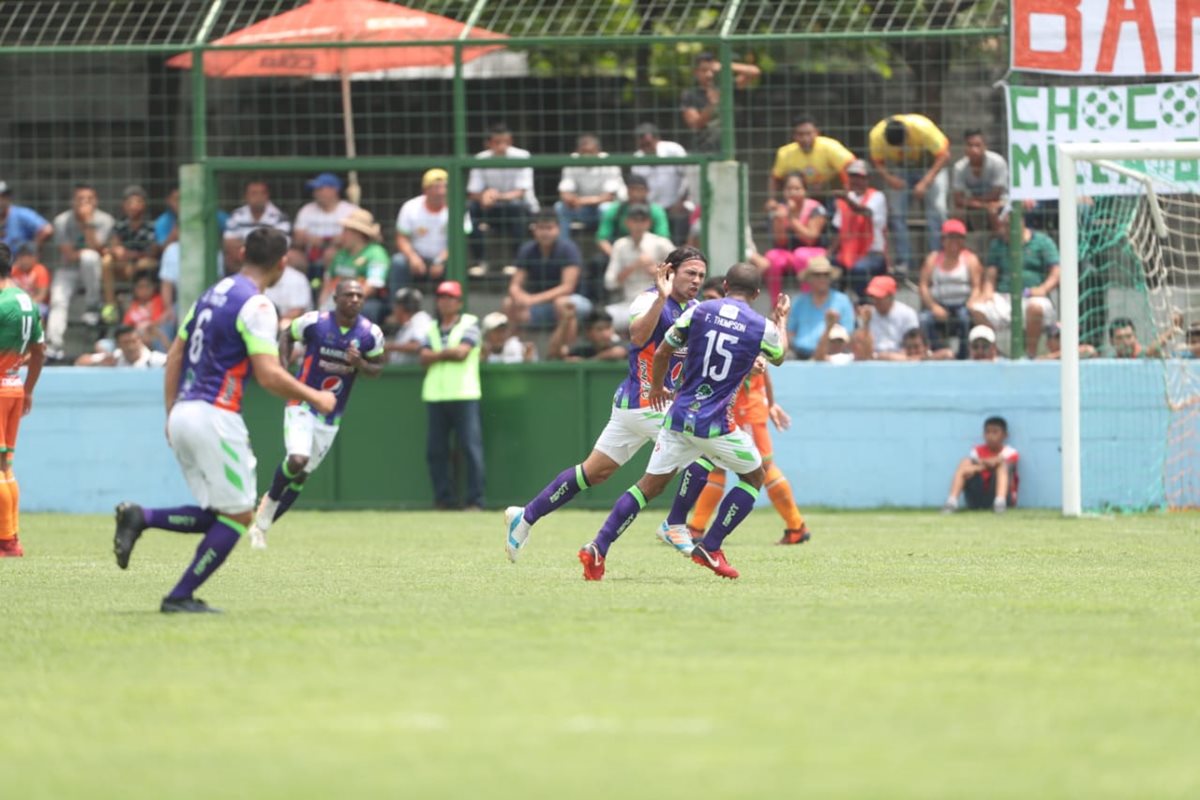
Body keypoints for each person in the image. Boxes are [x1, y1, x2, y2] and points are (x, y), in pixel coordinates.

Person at [111, 227, 338, 613]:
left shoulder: (210, 295)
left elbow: (176, 355)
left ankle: (140, 517)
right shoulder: (259, 306)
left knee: (219, 514)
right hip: (215, 415)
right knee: (238, 517)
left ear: (242, 252)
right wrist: (315, 395)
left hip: (184, 411)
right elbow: (268, 374)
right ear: (283, 263)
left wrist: (171, 412)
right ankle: (179, 597)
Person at [577, 262, 790, 581]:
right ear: (757, 294)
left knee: (648, 487)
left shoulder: (699, 311)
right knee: (753, 477)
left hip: (677, 415)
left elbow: (662, 352)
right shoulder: (761, 327)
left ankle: (598, 547)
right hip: (715, 422)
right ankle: (711, 546)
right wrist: (781, 321)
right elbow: (779, 356)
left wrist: (661, 387)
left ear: (727, 284)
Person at [503, 248, 707, 562]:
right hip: (648, 402)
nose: (696, 281)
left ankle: (525, 517)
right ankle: (675, 523)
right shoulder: (648, 299)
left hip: (636, 407)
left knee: (594, 472)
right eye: (690, 273)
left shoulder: (695, 309)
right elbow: (638, 337)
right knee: (705, 451)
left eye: (701, 276)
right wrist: (662, 298)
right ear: (669, 272)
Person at [249, 279, 385, 549]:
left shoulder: (371, 334)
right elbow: (288, 334)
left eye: (359, 296)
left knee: (301, 476)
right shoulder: (315, 322)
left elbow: (377, 368)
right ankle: (265, 511)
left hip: (331, 416)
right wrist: (283, 366)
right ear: (335, 298)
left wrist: (360, 363)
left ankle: (261, 527)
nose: (355, 299)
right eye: (349, 295)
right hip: (302, 403)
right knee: (297, 459)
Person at [686, 280, 811, 545]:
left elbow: (765, 363)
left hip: (747, 409)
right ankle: (695, 528)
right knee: (716, 466)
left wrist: (770, 401)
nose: (707, 301)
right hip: (726, 408)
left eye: (712, 296)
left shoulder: (745, 325)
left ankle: (796, 525)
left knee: (763, 467)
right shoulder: (712, 321)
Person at [420, 281, 484, 510]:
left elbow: (462, 354)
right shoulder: (431, 328)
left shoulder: (470, 323)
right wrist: (446, 353)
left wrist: (437, 354)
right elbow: (423, 357)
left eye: (450, 297)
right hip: (435, 395)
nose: (444, 301)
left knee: (470, 448)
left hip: (464, 393)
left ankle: (475, 500)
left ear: (459, 302)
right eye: (441, 297)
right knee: (436, 451)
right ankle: (443, 500)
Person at [0, 243, 46, 558]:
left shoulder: (2, 304)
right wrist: (28, 388)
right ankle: (12, 537)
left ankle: (6, 541)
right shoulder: (26, 301)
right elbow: (39, 351)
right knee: (6, 466)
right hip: (14, 386)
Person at [869, 114, 951, 272]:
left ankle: (937, 260)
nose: (900, 148)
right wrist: (889, 178)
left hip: (931, 166)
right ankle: (903, 262)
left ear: (907, 133)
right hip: (903, 169)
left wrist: (925, 182)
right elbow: (877, 161)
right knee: (896, 213)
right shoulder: (876, 136)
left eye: (902, 144)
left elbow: (944, 155)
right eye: (896, 146)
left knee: (937, 210)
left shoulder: (923, 127)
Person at [971, 218, 1059, 358]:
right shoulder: (998, 244)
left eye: (1007, 225)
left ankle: (1030, 355)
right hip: (1004, 297)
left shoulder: (1042, 242)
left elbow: (1056, 271)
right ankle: (996, 352)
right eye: (1003, 226)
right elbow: (990, 275)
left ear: (1021, 223)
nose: (1004, 230)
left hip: (1033, 295)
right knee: (976, 309)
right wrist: (987, 292)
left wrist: (1043, 289)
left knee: (1035, 308)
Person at [49, 183, 112, 351]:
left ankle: (92, 306)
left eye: (89, 199)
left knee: (89, 257)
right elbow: (69, 255)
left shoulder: (105, 220)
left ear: (96, 201)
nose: (85, 202)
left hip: (93, 271)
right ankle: (54, 345)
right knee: (57, 301)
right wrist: (88, 248)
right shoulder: (62, 221)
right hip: (68, 269)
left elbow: (98, 250)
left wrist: (87, 224)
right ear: (73, 202)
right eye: (80, 199)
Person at [466, 123, 538, 271]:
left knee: (517, 208)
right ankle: (480, 261)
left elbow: (521, 192)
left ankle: (516, 262)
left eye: (506, 142)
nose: (502, 146)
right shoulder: (480, 159)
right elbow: (473, 192)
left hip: (519, 207)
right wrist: (483, 196)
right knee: (469, 209)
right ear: (488, 143)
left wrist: (494, 196)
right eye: (497, 142)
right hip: (491, 206)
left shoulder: (522, 156)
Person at [503, 210, 591, 329]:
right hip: (541, 305)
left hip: (574, 301)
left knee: (562, 304)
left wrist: (533, 299)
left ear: (558, 229)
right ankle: (514, 346)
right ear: (534, 229)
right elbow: (514, 285)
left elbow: (567, 288)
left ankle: (565, 346)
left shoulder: (568, 249)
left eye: (549, 228)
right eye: (541, 228)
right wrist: (520, 297)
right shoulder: (527, 249)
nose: (545, 233)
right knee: (509, 303)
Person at [393, 168, 470, 290]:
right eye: (436, 187)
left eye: (445, 187)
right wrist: (412, 257)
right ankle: (399, 306)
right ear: (425, 190)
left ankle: (450, 307)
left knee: (457, 263)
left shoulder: (458, 207)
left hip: (446, 258)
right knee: (398, 262)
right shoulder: (410, 207)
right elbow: (401, 238)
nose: (441, 192)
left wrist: (440, 260)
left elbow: (460, 241)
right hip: (417, 257)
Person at [918, 219, 983, 359]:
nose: (954, 241)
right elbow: (923, 286)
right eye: (950, 237)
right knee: (924, 319)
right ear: (943, 240)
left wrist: (971, 303)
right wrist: (933, 306)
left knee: (964, 318)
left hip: (962, 305)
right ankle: (939, 353)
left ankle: (963, 356)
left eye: (958, 237)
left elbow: (977, 286)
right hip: (939, 304)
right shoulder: (933, 259)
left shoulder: (970, 259)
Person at [603, 204, 674, 329]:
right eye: (634, 220)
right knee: (604, 318)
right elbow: (610, 283)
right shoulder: (620, 245)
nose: (638, 225)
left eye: (643, 221)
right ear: (627, 223)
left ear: (649, 223)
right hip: (629, 303)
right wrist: (633, 266)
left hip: (657, 302)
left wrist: (656, 271)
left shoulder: (660, 243)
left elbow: (679, 272)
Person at [679, 51, 760, 155]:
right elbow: (695, 124)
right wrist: (712, 105)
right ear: (695, 72)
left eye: (712, 70)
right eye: (704, 70)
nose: (709, 75)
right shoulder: (689, 94)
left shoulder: (726, 87)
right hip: (702, 151)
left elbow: (755, 72)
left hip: (731, 150)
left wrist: (725, 65)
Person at [764, 172, 827, 303]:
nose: (793, 192)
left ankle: (807, 301)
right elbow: (780, 241)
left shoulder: (816, 208)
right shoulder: (780, 209)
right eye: (789, 189)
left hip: (814, 251)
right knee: (772, 256)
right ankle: (776, 304)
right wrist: (779, 220)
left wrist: (792, 219)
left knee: (801, 254)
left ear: (805, 190)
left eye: (797, 189)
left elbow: (811, 238)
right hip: (789, 253)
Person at [830, 159, 888, 297]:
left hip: (873, 253)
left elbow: (865, 212)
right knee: (827, 267)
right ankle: (838, 305)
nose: (855, 180)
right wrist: (829, 253)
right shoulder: (846, 198)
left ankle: (863, 304)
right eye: (852, 176)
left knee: (858, 270)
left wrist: (846, 199)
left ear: (868, 179)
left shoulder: (877, 196)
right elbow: (840, 229)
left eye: (860, 177)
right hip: (848, 251)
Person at [767, 116, 855, 207]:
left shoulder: (830, 146)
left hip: (831, 196)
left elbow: (850, 165)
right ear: (793, 135)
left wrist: (848, 191)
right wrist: (772, 199)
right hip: (801, 198)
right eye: (800, 134)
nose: (805, 139)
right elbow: (775, 178)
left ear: (817, 133)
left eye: (809, 133)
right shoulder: (785, 153)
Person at [102, 185, 159, 324]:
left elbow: (152, 252)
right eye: (130, 203)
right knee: (106, 260)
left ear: (144, 205)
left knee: (147, 262)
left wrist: (129, 254)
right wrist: (115, 250)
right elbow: (111, 246)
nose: (133, 206)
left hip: (141, 266)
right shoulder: (120, 225)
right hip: (123, 266)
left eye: (138, 202)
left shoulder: (151, 225)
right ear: (124, 205)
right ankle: (111, 305)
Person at [320, 208, 390, 322]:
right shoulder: (341, 254)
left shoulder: (376, 253)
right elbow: (328, 282)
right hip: (337, 301)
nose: (341, 235)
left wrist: (347, 303)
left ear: (357, 233)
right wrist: (322, 307)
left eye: (345, 231)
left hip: (367, 301)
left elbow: (372, 285)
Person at [942, 416, 1019, 514]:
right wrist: (989, 464)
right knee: (965, 462)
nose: (990, 436)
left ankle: (1000, 503)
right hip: (977, 499)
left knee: (1002, 465)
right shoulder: (976, 451)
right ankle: (951, 502)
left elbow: (998, 461)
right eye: (987, 432)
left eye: (995, 432)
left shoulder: (1010, 452)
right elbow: (967, 470)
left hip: (1001, 497)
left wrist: (981, 463)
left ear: (1005, 435)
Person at [555, 134, 624, 241]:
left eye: (590, 152)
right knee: (560, 207)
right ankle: (564, 248)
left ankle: (606, 245)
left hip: (605, 209)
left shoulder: (608, 161)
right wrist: (572, 200)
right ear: (578, 151)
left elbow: (608, 197)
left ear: (598, 151)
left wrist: (579, 201)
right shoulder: (572, 160)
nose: (587, 156)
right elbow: (564, 193)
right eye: (584, 152)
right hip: (582, 209)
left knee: (605, 208)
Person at [785, 256, 855, 359]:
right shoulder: (798, 302)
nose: (822, 278)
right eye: (817, 275)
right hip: (800, 355)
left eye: (826, 275)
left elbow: (849, 333)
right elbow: (789, 332)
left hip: (833, 357)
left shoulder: (842, 301)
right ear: (809, 278)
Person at [293, 172, 358, 282]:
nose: (316, 193)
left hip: (341, 255)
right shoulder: (306, 210)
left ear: (334, 190)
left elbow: (356, 240)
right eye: (315, 190)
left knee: (330, 254)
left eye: (320, 189)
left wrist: (330, 242)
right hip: (309, 255)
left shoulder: (350, 210)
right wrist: (313, 240)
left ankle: (328, 292)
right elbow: (298, 239)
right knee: (292, 257)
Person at [631, 123, 691, 243]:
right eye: (642, 145)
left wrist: (681, 200)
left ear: (657, 139)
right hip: (651, 207)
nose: (645, 148)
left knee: (682, 219)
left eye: (648, 144)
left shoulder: (673, 150)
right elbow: (638, 188)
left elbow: (688, 176)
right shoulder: (637, 158)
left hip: (677, 203)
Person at [951, 129, 1008, 253]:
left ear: (984, 147)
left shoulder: (997, 162)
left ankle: (1001, 245)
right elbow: (957, 199)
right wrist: (981, 204)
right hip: (977, 203)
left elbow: (996, 194)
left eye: (977, 145)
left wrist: (971, 201)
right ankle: (961, 248)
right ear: (965, 148)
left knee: (992, 210)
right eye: (970, 145)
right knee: (958, 212)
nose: (973, 150)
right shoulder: (960, 167)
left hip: (1001, 200)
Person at [223, 180, 290, 271]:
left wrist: (248, 246)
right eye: (254, 193)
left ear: (267, 196)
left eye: (262, 193)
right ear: (246, 196)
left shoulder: (279, 216)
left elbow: (283, 243)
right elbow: (229, 242)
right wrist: (259, 247)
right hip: (242, 257)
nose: (258, 197)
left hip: (269, 259)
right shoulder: (237, 214)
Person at [859, 275, 919, 358]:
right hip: (874, 359)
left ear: (890, 296)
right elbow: (862, 349)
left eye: (879, 297)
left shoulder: (908, 314)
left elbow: (913, 345)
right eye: (873, 297)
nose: (876, 300)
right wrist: (866, 324)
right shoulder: (868, 314)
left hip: (901, 359)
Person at [547, 308, 627, 361]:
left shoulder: (622, 346)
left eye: (608, 328)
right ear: (588, 333)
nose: (605, 334)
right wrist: (565, 321)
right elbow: (554, 353)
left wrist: (585, 363)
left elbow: (618, 353)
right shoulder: (583, 350)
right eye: (599, 329)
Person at [74, 324, 167, 368]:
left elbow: (174, 363)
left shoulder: (153, 359)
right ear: (118, 344)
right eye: (126, 342)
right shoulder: (115, 357)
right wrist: (101, 362)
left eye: (133, 341)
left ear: (140, 340)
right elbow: (80, 361)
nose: (130, 346)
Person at [0, 181, 53, 255]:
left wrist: (31, 252)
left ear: (8, 198)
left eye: (3, 197)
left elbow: (47, 229)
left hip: (19, 264)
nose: (1, 201)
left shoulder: (21, 215)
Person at [383, 287, 432, 365]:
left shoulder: (421, 319)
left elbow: (418, 345)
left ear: (401, 307)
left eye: (396, 306)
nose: (394, 309)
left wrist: (389, 347)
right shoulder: (406, 326)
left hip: (413, 374)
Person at [122, 273, 169, 351]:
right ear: (135, 289)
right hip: (136, 338)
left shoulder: (158, 300)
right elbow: (127, 325)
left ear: (153, 287)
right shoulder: (133, 305)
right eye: (140, 287)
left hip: (154, 335)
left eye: (147, 286)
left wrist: (145, 326)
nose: (144, 290)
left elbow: (157, 322)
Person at [264, 260, 314, 330]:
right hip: (266, 320)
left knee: (285, 324)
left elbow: (297, 311)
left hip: (293, 325)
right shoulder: (259, 274)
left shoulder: (297, 278)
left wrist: (273, 321)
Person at [11, 244, 50, 320]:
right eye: (22, 256)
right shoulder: (13, 270)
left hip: (36, 304)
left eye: (29, 256)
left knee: (38, 312)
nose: (25, 259)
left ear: (35, 257)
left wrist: (25, 306)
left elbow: (42, 296)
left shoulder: (40, 270)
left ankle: (39, 332)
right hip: (15, 304)